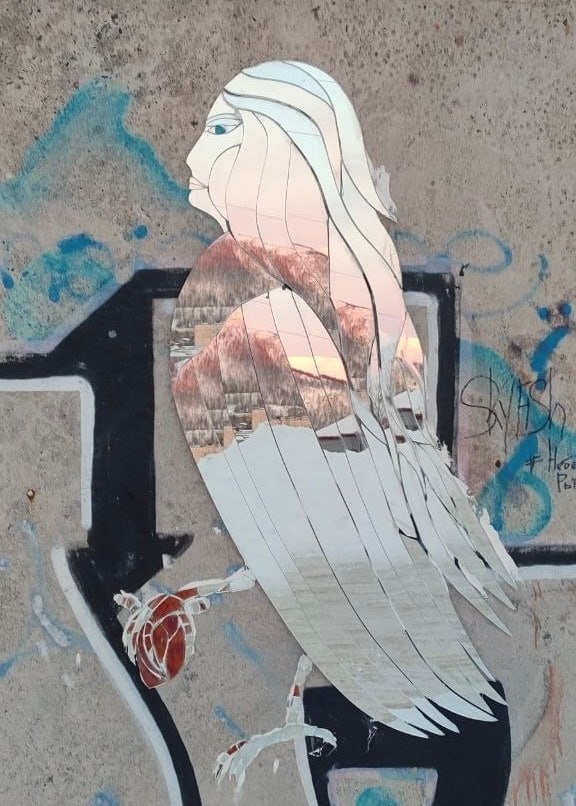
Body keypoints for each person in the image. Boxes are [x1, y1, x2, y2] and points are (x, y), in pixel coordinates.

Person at [170, 61, 516, 804]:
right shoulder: (364, 293)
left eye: (224, 130)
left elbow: (326, 528)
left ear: (281, 148)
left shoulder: (244, 301)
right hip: (388, 674)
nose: (196, 154)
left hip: (379, 675)